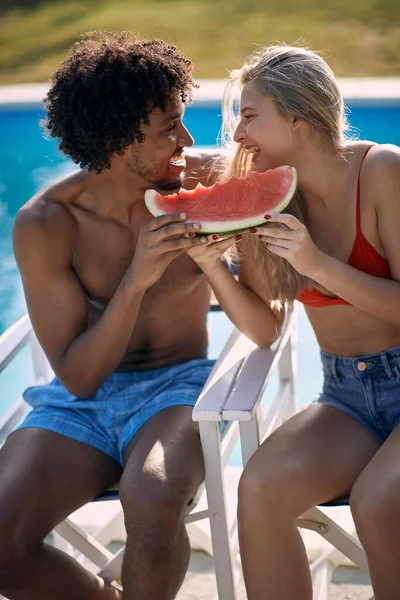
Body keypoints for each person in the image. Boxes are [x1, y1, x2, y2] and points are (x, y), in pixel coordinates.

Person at [0, 30, 236, 600]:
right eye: (166, 130)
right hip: (81, 399)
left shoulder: (208, 182)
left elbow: (267, 295)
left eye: (182, 119)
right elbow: (79, 377)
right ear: (113, 139)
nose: (186, 139)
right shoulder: (47, 223)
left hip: (179, 387)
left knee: (153, 498)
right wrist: (136, 281)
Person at [188, 45, 400, 599]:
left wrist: (317, 264)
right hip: (346, 396)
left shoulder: (383, 172)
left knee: (377, 502)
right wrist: (215, 269)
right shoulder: (268, 201)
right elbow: (263, 330)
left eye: (250, 115)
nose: (237, 135)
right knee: (257, 488)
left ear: (299, 118)